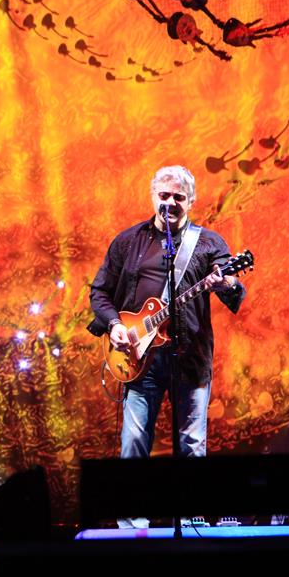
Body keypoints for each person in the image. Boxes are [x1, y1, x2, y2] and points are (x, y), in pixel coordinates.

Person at [89, 165, 246, 467]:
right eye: (164, 196)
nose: (170, 203)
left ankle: (188, 502)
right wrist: (115, 324)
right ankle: (134, 502)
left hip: (189, 357)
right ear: (153, 196)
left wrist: (226, 281)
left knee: (192, 444)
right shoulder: (128, 241)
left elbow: (233, 288)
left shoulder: (208, 243)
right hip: (138, 357)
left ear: (191, 201)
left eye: (179, 197)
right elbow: (100, 291)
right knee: (134, 441)